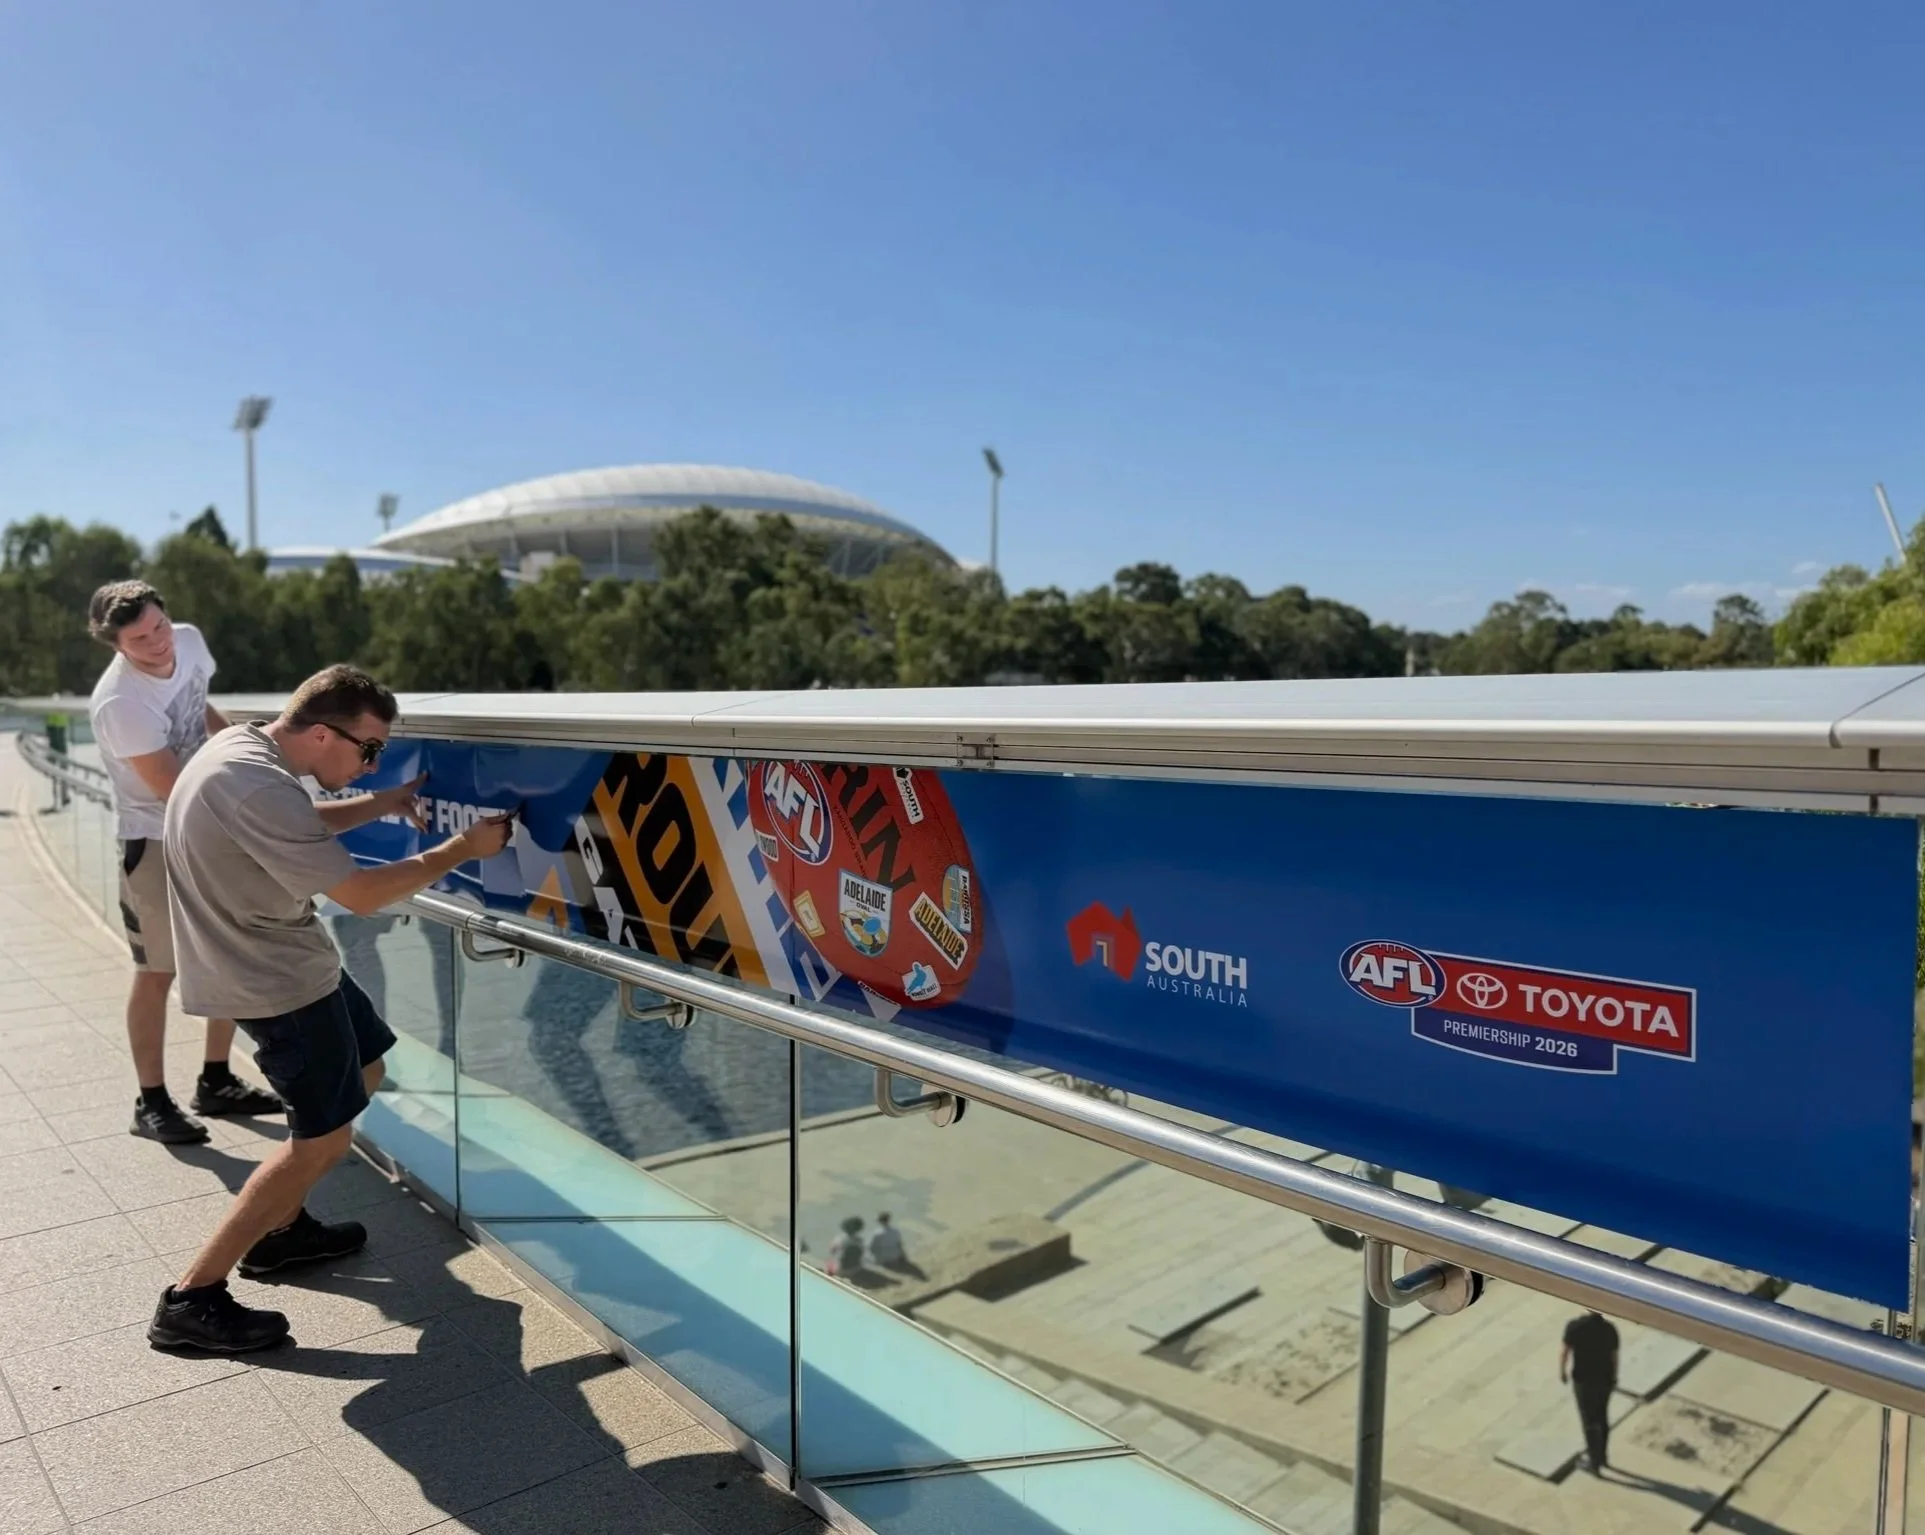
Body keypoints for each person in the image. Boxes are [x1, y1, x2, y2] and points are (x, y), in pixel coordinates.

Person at [148, 664, 512, 1353]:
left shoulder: (246, 754)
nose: (373, 759)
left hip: (287, 958)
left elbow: (295, 822)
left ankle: (282, 1233)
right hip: (274, 979)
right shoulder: (254, 779)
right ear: (321, 732)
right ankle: (192, 1295)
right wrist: (461, 848)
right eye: (369, 748)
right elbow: (361, 895)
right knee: (321, 1139)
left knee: (369, 1062)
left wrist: (382, 799)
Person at [86, 581, 282, 1143]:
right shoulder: (121, 703)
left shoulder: (190, 641)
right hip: (155, 839)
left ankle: (217, 1082)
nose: (158, 644)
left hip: (211, 825)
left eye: (160, 627)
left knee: (225, 951)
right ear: (116, 645)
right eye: (140, 639)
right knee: (157, 972)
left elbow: (200, 709)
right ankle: (150, 1103)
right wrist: (254, 814)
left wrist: (248, 752)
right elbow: (172, 790)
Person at [1561, 1309, 1620, 1474]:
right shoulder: (1610, 1329)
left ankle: (1593, 1463)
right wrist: (1614, 1378)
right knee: (1602, 1417)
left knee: (1589, 1421)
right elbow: (1614, 1357)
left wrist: (1562, 1371)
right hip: (1604, 1380)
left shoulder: (1574, 1327)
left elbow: (1565, 1352)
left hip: (1583, 1380)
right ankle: (1602, 1457)